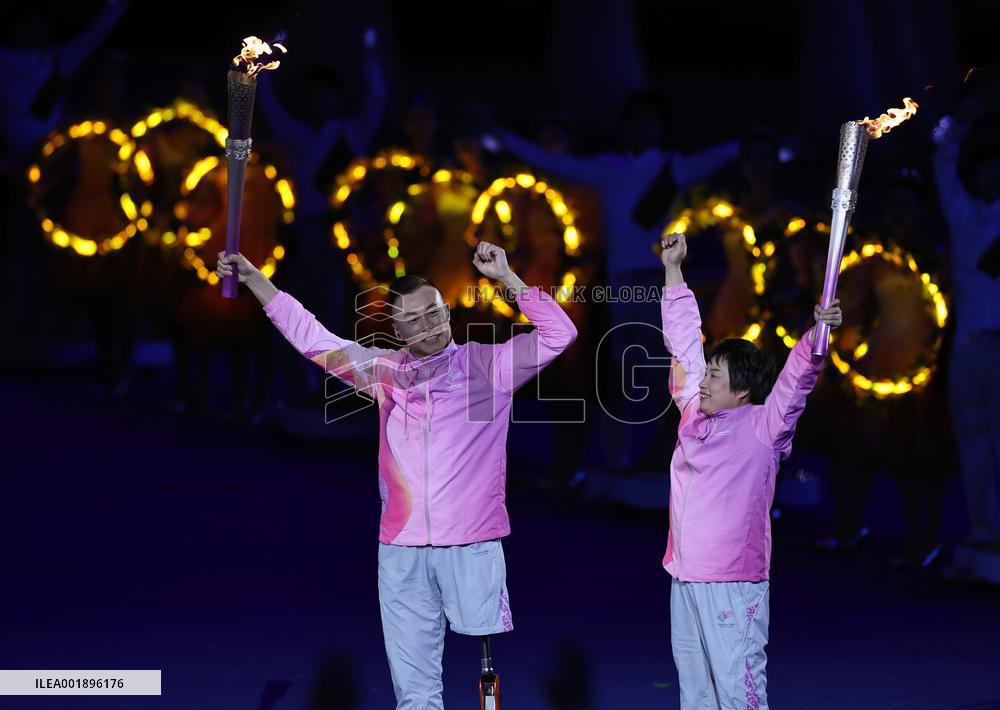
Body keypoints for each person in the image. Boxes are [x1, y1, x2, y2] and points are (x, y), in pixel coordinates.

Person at [215, 241, 577, 709]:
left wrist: (507, 277)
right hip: (401, 548)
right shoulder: (384, 373)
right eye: (415, 319)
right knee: (415, 689)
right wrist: (255, 280)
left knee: (484, 667)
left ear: (447, 312)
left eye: (434, 312)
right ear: (397, 329)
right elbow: (316, 341)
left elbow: (559, 334)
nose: (429, 325)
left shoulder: (489, 367)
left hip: (469, 544)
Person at [658, 231, 842, 708]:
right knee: (696, 696)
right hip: (685, 579)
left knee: (739, 696)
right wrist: (673, 269)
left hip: (735, 587)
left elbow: (797, 380)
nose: (703, 381)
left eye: (714, 376)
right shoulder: (693, 412)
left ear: (742, 391)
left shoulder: (765, 427)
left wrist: (817, 335)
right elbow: (682, 344)